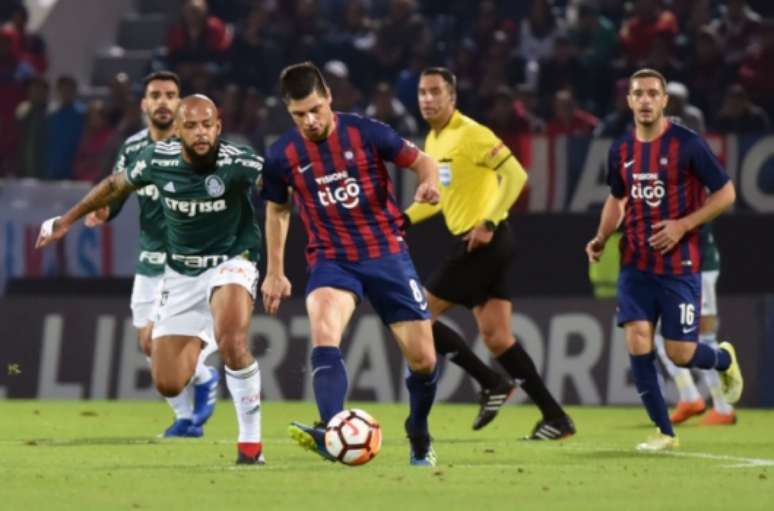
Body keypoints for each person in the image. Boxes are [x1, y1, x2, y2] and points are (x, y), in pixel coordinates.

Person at [36, 95, 266, 465]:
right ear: (177, 131)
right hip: (181, 273)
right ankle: (204, 360)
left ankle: (250, 446)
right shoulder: (158, 159)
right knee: (169, 382)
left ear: (218, 127)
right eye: (190, 126)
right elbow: (115, 185)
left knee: (233, 340)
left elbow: (280, 189)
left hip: (232, 259)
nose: (201, 132)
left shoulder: (238, 161)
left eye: (207, 124)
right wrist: (67, 219)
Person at [260, 62, 441, 466]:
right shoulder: (282, 155)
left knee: (425, 360)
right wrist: (274, 271)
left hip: (387, 255)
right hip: (332, 259)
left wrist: (429, 183)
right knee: (324, 330)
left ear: (328, 99)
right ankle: (331, 431)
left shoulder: (367, 132)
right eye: (298, 114)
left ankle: (418, 430)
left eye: (315, 110)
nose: (309, 121)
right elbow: (278, 210)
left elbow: (422, 161)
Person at [407, 66, 576, 440]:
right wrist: (402, 220)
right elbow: (438, 201)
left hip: (483, 241)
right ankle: (556, 418)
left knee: (415, 315)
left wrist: (489, 221)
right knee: (498, 338)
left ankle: (490, 382)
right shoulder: (434, 141)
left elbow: (516, 175)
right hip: (479, 243)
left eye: (436, 92)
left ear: (452, 96)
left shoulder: (471, 134)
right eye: (422, 92)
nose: (428, 99)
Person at [585, 68, 743, 451]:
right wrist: (602, 236)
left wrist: (683, 225)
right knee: (638, 341)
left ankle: (722, 360)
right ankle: (663, 432)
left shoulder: (688, 145)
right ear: (629, 101)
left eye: (652, 93)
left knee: (680, 352)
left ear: (663, 101)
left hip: (680, 266)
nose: (644, 100)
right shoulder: (620, 150)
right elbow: (617, 198)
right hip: (636, 264)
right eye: (638, 93)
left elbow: (726, 193)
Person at [84, 71, 219, 438]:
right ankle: (187, 417)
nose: (162, 101)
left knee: (172, 336)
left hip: (191, 261)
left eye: (170, 95)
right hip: (150, 258)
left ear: (179, 103)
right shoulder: (132, 148)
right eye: (155, 95)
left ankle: (202, 384)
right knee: (146, 339)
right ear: (144, 104)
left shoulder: (197, 146)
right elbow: (116, 192)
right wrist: (103, 211)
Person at [655, 223, 737, 425]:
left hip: (698, 265)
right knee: (660, 332)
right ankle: (690, 397)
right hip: (680, 265)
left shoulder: (693, 192)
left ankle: (723, 407)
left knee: (702, 336)